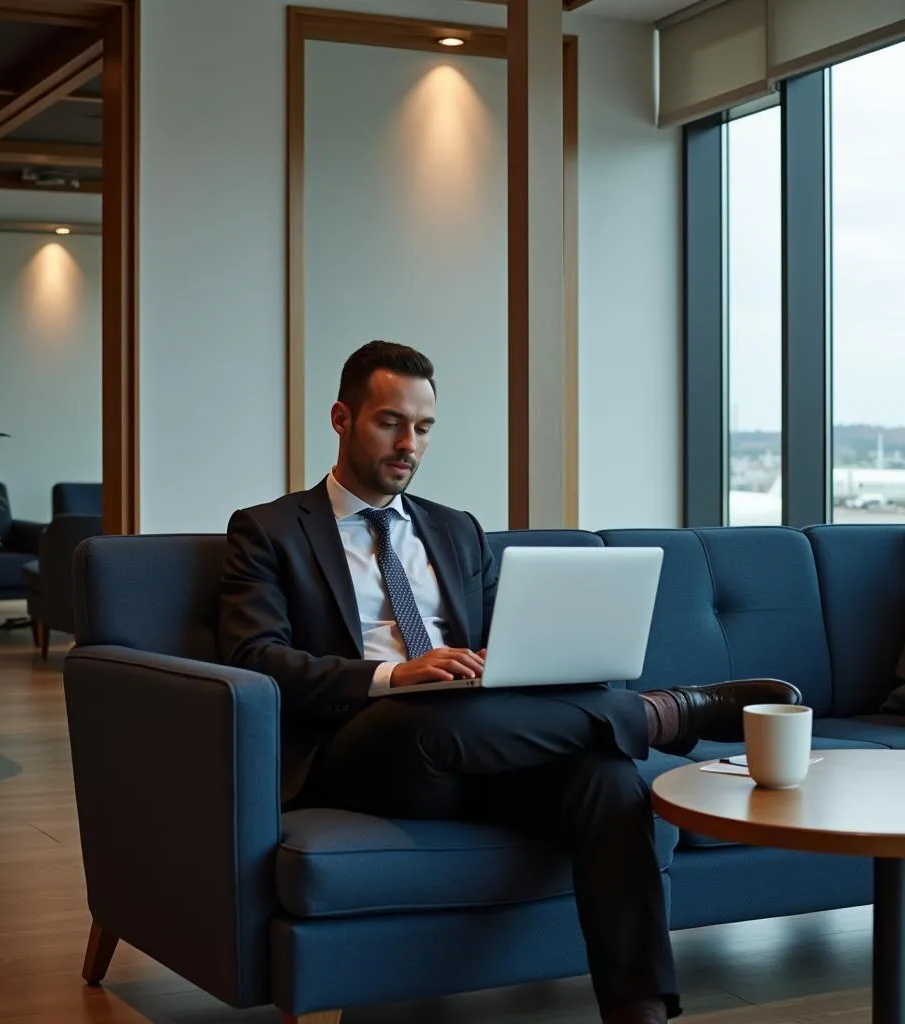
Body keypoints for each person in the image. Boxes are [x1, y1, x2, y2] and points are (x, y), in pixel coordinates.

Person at [217, 340, 800, 1024]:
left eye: (424, 427)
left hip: (482, 738)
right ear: (342, 419)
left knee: (608, 781)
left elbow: (508, 648)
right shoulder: (269, 530)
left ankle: (638, 1009)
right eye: (390, 422)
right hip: (364, 746)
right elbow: (255, 658)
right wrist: (394, 674)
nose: (410, 443)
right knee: (423, 715)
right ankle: (663, 714)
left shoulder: (457, 530)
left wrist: (514, 660)